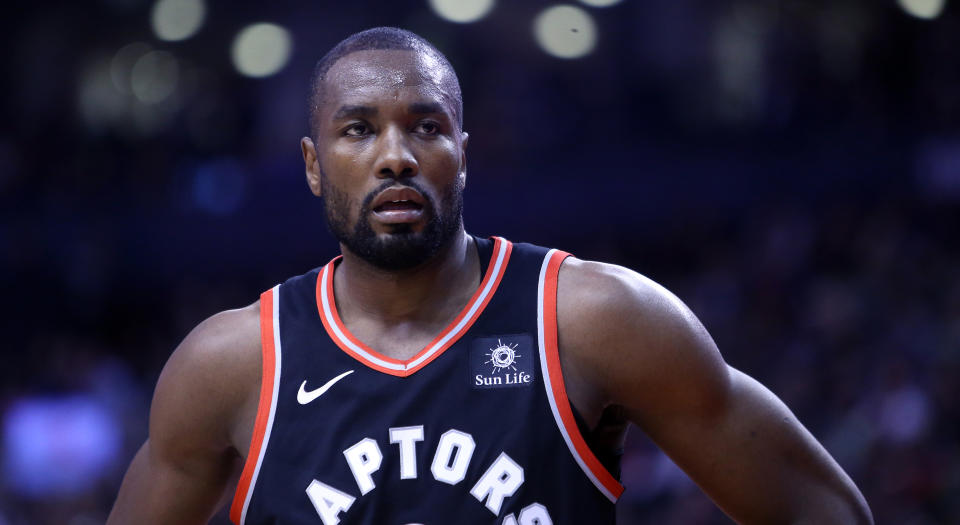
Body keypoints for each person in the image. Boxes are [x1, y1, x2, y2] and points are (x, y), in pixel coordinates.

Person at [108, 27, 873, 525]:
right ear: (313, 165)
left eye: (427, 125)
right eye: (358, 129)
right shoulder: (232, 364)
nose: (396, 154)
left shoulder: (591, 317)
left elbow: (824, 510)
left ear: (464, 154)